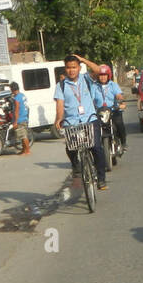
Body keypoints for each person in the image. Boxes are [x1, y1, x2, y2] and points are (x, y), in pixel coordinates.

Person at [53, 54, 107, 189]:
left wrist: (83, 59)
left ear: (79, 68)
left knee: (96, 148)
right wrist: (59, 118)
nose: (71, 70)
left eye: (74, 67)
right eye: (68, 67)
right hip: (72, 122)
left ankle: (101, 179)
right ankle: (76, 167)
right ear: (65, 68)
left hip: (90, 119)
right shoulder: (61, 85)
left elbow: (98, 70)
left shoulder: (86, 78)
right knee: (70, 147)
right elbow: (60, 104)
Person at [8, 81, 31, 156]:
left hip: (21, 118)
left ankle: (27, 151)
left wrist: (15, 121)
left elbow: (16, 110)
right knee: (22, 136)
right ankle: (24, 150)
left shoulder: (17, 98)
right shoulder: (22, 95)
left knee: (23, 135)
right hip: (25, 117)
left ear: (12, 89)